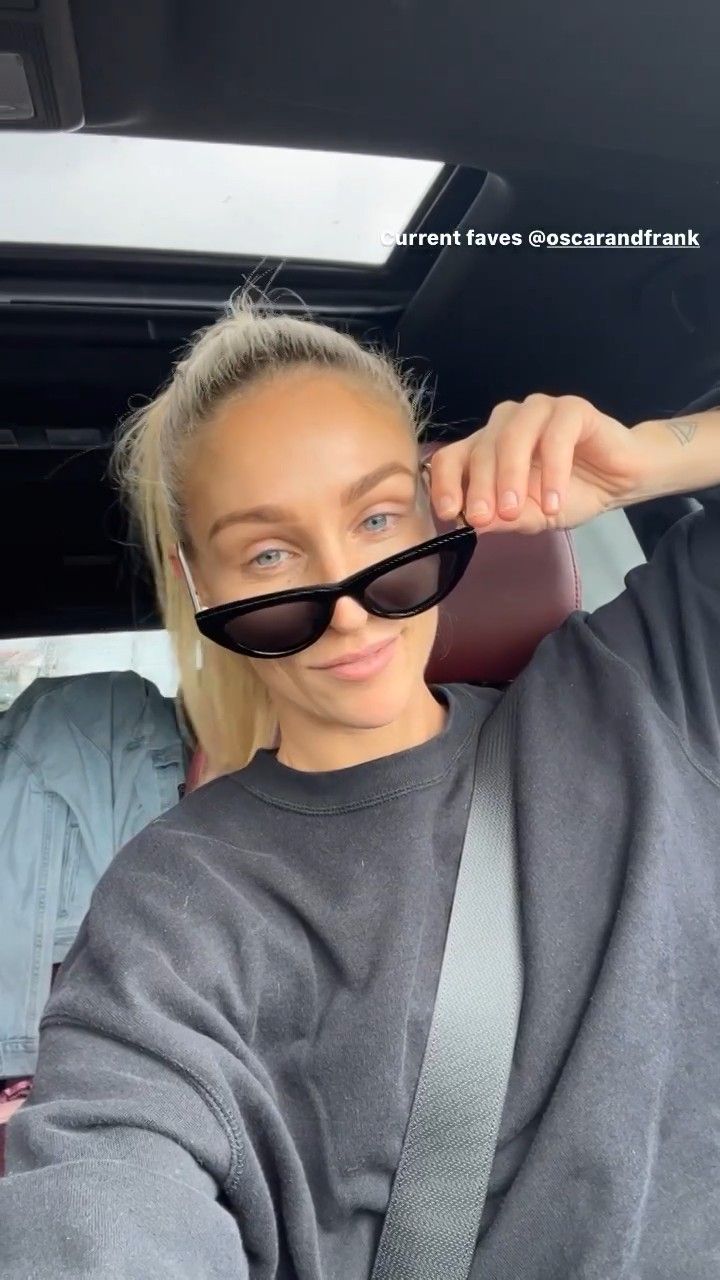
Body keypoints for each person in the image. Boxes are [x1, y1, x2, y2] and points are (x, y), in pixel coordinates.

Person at [1, 293, 719, 1280]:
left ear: (435, 505)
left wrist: (656, 459)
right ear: (198, 581)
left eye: (377, 517)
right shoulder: (176, 902)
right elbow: (105, 1173)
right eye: (269, 553)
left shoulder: (643, 689)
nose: (347, 608)